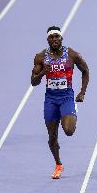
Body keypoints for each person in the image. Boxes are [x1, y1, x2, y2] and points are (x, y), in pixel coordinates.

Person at [31, 26, 89, 179]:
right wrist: (44, 72)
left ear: (61, 38)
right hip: (50, 99)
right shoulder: (40, 57)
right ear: (48, 39)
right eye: (51, 37)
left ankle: (71, 111)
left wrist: (82, 92)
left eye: (57, 37)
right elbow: (33, 82)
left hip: (66, 97)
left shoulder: (71, 54)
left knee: (69, 131)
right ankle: (58, 164)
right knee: (52, 137)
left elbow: (86, 70)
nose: (54, 39)